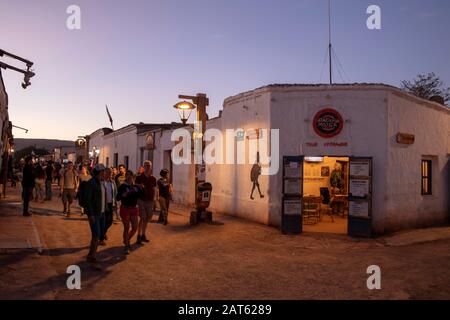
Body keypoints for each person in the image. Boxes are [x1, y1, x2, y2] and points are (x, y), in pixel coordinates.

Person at [84, 164, 106, 268]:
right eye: (103, 171)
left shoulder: (101, 182)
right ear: (100, 172)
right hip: (94, 214)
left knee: (98, 235)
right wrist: (90, 214)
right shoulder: (91, 183)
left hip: (101, 213)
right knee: (96, 235)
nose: (105, 173)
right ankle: (92, 256)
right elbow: (87, 200)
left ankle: (91, 255)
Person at [116, 170, 143, 254]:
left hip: (134, 208)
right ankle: (127, 246)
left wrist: (141, 188)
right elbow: (117, 198)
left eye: (130, 175)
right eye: (127, 175)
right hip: (125, 208)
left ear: (132, 176)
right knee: (127, 227)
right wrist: (122, 195)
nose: (128, 177)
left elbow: (141, 195)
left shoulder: (135, 186)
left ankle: (126, 240)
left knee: (135, 227)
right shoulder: (122, 186)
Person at [135, 160, 156, 244]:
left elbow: (154, 189)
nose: (147, 167)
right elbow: (134, 186)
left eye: (149, 165)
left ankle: (143, 234)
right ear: (143, 167)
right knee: (143, 217)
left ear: (151, 167)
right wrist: (139, 185)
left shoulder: (153, 178)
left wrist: (155, 200)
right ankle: (139, 236)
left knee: (148, 218)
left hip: (150, 200)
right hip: (141, 200)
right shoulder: (139, 177)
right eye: (146, 165)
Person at [100, 167, 117, 245]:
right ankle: (101, 238)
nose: (109, 174)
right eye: (107, 172)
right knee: (103, 221)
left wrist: (115, 204)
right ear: (104, 173)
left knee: (110, 221)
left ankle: (103, 232)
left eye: (110, 173)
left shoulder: (112, 182)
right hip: (103, 204)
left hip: (110, 204)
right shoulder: (101, 182)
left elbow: (115, 193)